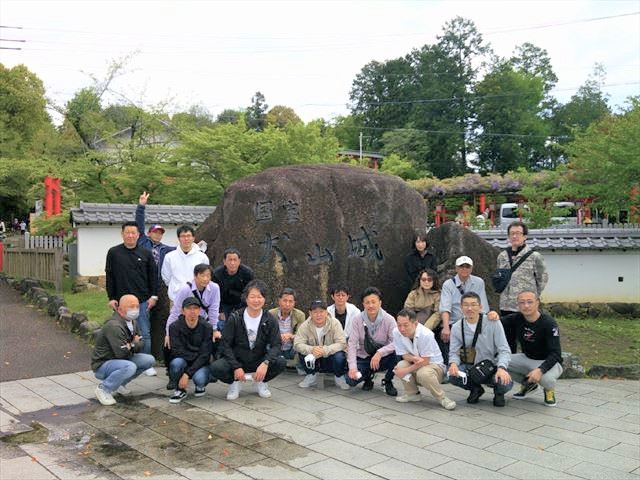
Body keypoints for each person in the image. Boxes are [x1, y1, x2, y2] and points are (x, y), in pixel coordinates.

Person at [209, 280, 285, 400]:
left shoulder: (270, 319)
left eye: (259, 297)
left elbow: (277, 344)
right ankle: (235, 382)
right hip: (238, 359)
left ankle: (261, 381)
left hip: (259, 359)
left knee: (280, 362)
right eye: (252, 297)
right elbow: (225, 345)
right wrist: (236, 366)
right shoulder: (235, 318)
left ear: (264, 299)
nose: (256, 300)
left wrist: (265, 363)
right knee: (216, 367)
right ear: (246, 298)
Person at [105, 221, 158, 376]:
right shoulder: (113, 252)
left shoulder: (146, 253)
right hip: (120, 303)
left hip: (142, 300)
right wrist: (111, 297)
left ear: (138, 235)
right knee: (119, 332)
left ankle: (146, 363)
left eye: (133, 232)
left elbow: (153, 276)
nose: (130, 235)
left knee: (144, 332)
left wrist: (153, 296)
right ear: (122, 234)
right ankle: (120, 361)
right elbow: (109, 276)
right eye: (127, 232)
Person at [448, 292, 513, 407]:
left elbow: (504, 349)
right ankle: (475, 389)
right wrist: (453, 363)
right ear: (461, 307)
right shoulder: (457, 327)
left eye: (473, 304)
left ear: (480, 307)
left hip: (492, 366)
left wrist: (502, 368)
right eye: (466, 305)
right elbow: (454, 352)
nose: (470, 308)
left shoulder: (493, 322)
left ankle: (499, 393)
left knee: (504, 382)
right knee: (451, 375)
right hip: (471, 367)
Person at [91, 295, 156, 405]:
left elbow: (142, 343)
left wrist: (131, 345)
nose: (135, 309)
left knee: (149, 360)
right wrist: (134, 343)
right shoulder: (114, 326)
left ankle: (119, 384)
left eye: (137, 306)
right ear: (120, 309)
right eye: (131, 306)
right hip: (103, 364)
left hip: (122, 358)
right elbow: (121, 353)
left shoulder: (133, 322)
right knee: (130, 367)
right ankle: (103, 389)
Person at [165, 263, 221, 390]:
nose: (205, 279)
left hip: (203, 323)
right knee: (171, 346)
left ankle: (210, 370)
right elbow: (175, 311)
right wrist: (168, 332)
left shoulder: (215, 288)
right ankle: (173, 376)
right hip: (186, 322)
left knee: (215, 340)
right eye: (202, 275)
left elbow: (214, 309)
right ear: (195, 276)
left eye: (208, 276)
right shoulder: (185, 289)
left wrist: (214, 329)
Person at [503, 291, 563, 407]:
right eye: (522, 302)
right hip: (527, 357)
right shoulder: (517, 318)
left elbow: (556, 353)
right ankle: (530, 385)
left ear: (537, 303)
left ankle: (549, 389)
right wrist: (492, 315)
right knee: (499, 362)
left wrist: (540, 370)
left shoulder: (549, 323)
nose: (526, 306)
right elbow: (496, 322)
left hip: (549, 361)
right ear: (518, 304)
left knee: (546, 380)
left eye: (530, 302)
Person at [135, 191, 176, 360]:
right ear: (149, 233)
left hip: (158, 287)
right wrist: (141, 206)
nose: (158, 235)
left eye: (160, 233)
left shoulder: (166, 249)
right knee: (142, 321)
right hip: (142, 287)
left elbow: (182, 249)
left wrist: (197, 246)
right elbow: (138, 223)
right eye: (155, 232)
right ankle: (144, 357)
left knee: (157, 320)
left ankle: (156, 353)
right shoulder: (142, 241)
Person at [497, 221, 549, 353]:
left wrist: (533, 297)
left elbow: (542, 278)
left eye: (518, 233)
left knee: (528, 338)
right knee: (507, 340)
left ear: (525, 236)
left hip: (525, 306)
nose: (515, 236)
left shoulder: (534, 256)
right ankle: (509, 363)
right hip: (506, 305)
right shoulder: (502, 256)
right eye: (512, 234)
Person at [392, 309, 456, 409]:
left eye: (405, 325)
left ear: (415, 323)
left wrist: (405, 371)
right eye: (399, 325)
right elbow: (403, 354)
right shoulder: (396, 332)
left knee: (423, 373)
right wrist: (414, 358)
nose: (402, 329)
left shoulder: (426, 334)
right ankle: (412, 394)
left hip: (434, 366)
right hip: (416, 362)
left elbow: (425, 361)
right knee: (400, 365)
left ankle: (442, 398)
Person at [346, 287, 398, 396]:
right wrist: (353, 368)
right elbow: (352, 344)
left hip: (383, 357)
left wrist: (380, 353)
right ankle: (367, 377)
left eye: (373, 302)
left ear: (380, 302)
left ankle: (387, 381)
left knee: (398, 356)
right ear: (363, 304)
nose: (370, 305)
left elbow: (396, 342)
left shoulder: (389, 319)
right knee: (350, 380)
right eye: (367, 302)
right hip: (364, 356)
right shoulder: (357, 319)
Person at [439, 255, 489, 363]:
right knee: (447, 339)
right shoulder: (448, 284)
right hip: (455, 322)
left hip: (474, 321)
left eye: (467, 266)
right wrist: (446, 327)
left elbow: (483, 307)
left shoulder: (479, 282)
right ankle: (451, 365)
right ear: (456, 268)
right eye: (461, 266)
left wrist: (481, 326)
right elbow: (445, 308)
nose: (464, 269)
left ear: (472, 268)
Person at [168, 297, 214, 403]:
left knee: (200, 379)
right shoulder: (174, 327)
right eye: (189, 308)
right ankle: (179, 389)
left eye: (195, 308)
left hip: (201, 362)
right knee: (176, 363)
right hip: (183, 360)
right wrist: (196, 354)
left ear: (200, 311)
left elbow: (205, 355)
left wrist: (187, 374)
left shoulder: (207, 327)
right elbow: (176, 351)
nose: (192, 311)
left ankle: (200, 386)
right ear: (182, 311)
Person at [294, 299, 349, 390]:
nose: (318, 315)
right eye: (315, 312)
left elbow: (342, 343)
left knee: (339, 356)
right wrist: (312, 349)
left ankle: (339, 376)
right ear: (310, 313)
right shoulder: (305, 325)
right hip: (314, 358)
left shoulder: (334, 323)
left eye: (321, 311)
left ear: (326, 312)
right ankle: (311, 375)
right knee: (302, 352)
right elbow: (297, 344)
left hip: (330, 357)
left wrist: (324, 350)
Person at [161, 225, 209, 304]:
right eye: (183, 236)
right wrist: (176, 288)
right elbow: (166, 277)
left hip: (196, 298)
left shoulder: (202, 257)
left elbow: (206, 277)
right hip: (176, 298)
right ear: (178, 238)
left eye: (188, 236)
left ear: (193, 238)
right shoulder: (169, 257)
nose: (186, 239)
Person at [213, 248, 255, 332]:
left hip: (241, 303)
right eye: (230, 260)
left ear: (239, 261)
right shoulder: (217, 274)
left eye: (235, 260)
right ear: (224, 261)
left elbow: (250, 292)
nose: (232, 263)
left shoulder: (247, 273)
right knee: (221, 325)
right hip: (224, 303)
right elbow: (214, 295)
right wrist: (220, 311)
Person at [268, 287, 306, 365]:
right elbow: (266, 334)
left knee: (302, 347)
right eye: (285, 301)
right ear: (279, 301)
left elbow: (301, 336)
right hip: (275, 347)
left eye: (290, 301)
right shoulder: (271, 314)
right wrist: (278, 337)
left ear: (294, 303)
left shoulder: (300, 315)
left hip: (291, 349)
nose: (287, 304)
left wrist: (291, 336)